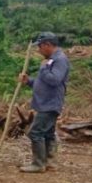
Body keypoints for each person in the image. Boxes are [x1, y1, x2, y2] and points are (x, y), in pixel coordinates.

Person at [18, 32, 70, 173]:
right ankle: (49, 162)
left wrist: (44, 67)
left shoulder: (59, 60)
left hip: (50, 104)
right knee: (47, 133)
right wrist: (29, 81)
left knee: (36, 132)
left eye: (40, 47)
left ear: (47, 45)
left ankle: (38, 163)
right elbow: (43, 82)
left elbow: (54, 80)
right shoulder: (52, 60)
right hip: (45, 103)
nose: (39, 50)